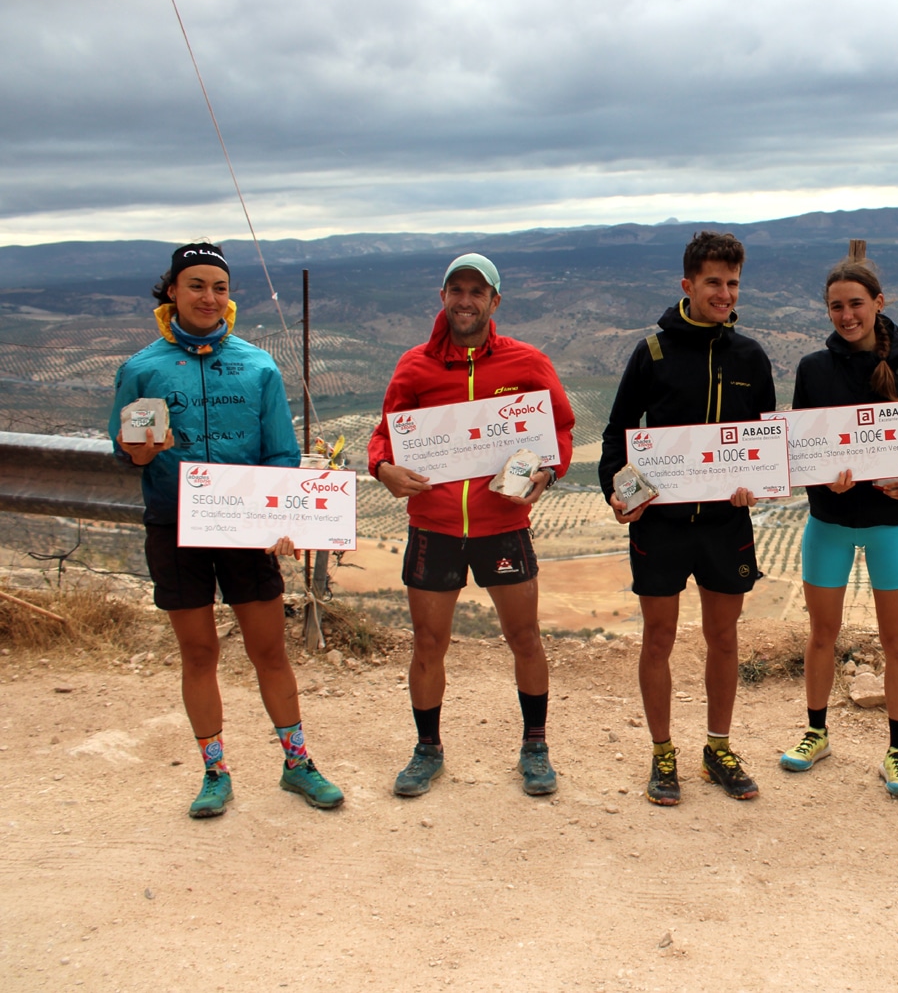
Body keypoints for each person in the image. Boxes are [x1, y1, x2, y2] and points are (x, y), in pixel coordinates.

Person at [110, 242, 343, 818]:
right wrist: (142, 451)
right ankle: (214, 772)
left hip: (245, 527)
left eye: (218, 286)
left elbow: (281, 453)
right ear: (172, 291)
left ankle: (297, 765)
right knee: (199, 652)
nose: (208, 296)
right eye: (195, 284)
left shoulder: (259, 365)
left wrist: (284, 518)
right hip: (173, 525)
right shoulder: (140, 369)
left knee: (269, 649)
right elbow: (125, 455)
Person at [368, 253, 575, 798]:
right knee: (428, 643)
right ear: (442, 297)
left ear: (494, 301)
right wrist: (383, 468)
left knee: (525, 638)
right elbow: (383, 435)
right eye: (456, 290)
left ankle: (535, 747)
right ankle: (427, 750)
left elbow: (561, 429)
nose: (465, 300)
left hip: (502, 523)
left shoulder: (527, 363)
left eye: (477, 292)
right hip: (433, 527)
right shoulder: (414, 366)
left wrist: (550, 469)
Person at [598, 231, 776, 806]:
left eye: (732, 283)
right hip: (662, 525)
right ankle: (662, 752)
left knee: (724, 638)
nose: (724, 294)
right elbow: (616, 436)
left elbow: (764, 440)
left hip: (727, 525)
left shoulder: (751, 356)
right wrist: (618, 495)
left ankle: (717, 749)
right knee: (659, 639)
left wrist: (761, 485)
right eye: (712, 283)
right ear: (687, 286)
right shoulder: (651, 353)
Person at [777, 256, 898, 798]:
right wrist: (818, 482)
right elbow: (800, 445)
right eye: (836, 306)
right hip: (828, 522)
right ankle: (815, 734)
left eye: (856, 303)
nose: (846, 314)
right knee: (822, 636)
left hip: (888, 525)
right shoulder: (813, 368)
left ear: (879, 303)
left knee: (896, 642)